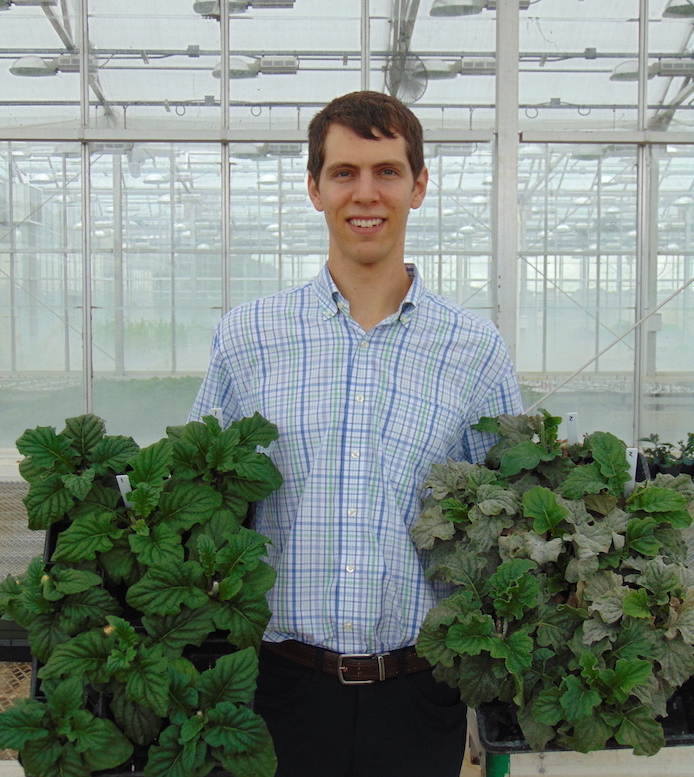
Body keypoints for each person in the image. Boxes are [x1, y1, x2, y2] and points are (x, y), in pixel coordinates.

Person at [189, 90, 523, 777]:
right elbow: (195, 503)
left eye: (386, 171)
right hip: (277, 689)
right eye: (343, 172)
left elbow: (508, 522)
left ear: (419, 186)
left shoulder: (474, 348)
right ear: (314, 188)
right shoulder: (248, 337)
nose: (364, 193)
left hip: (418, 691)